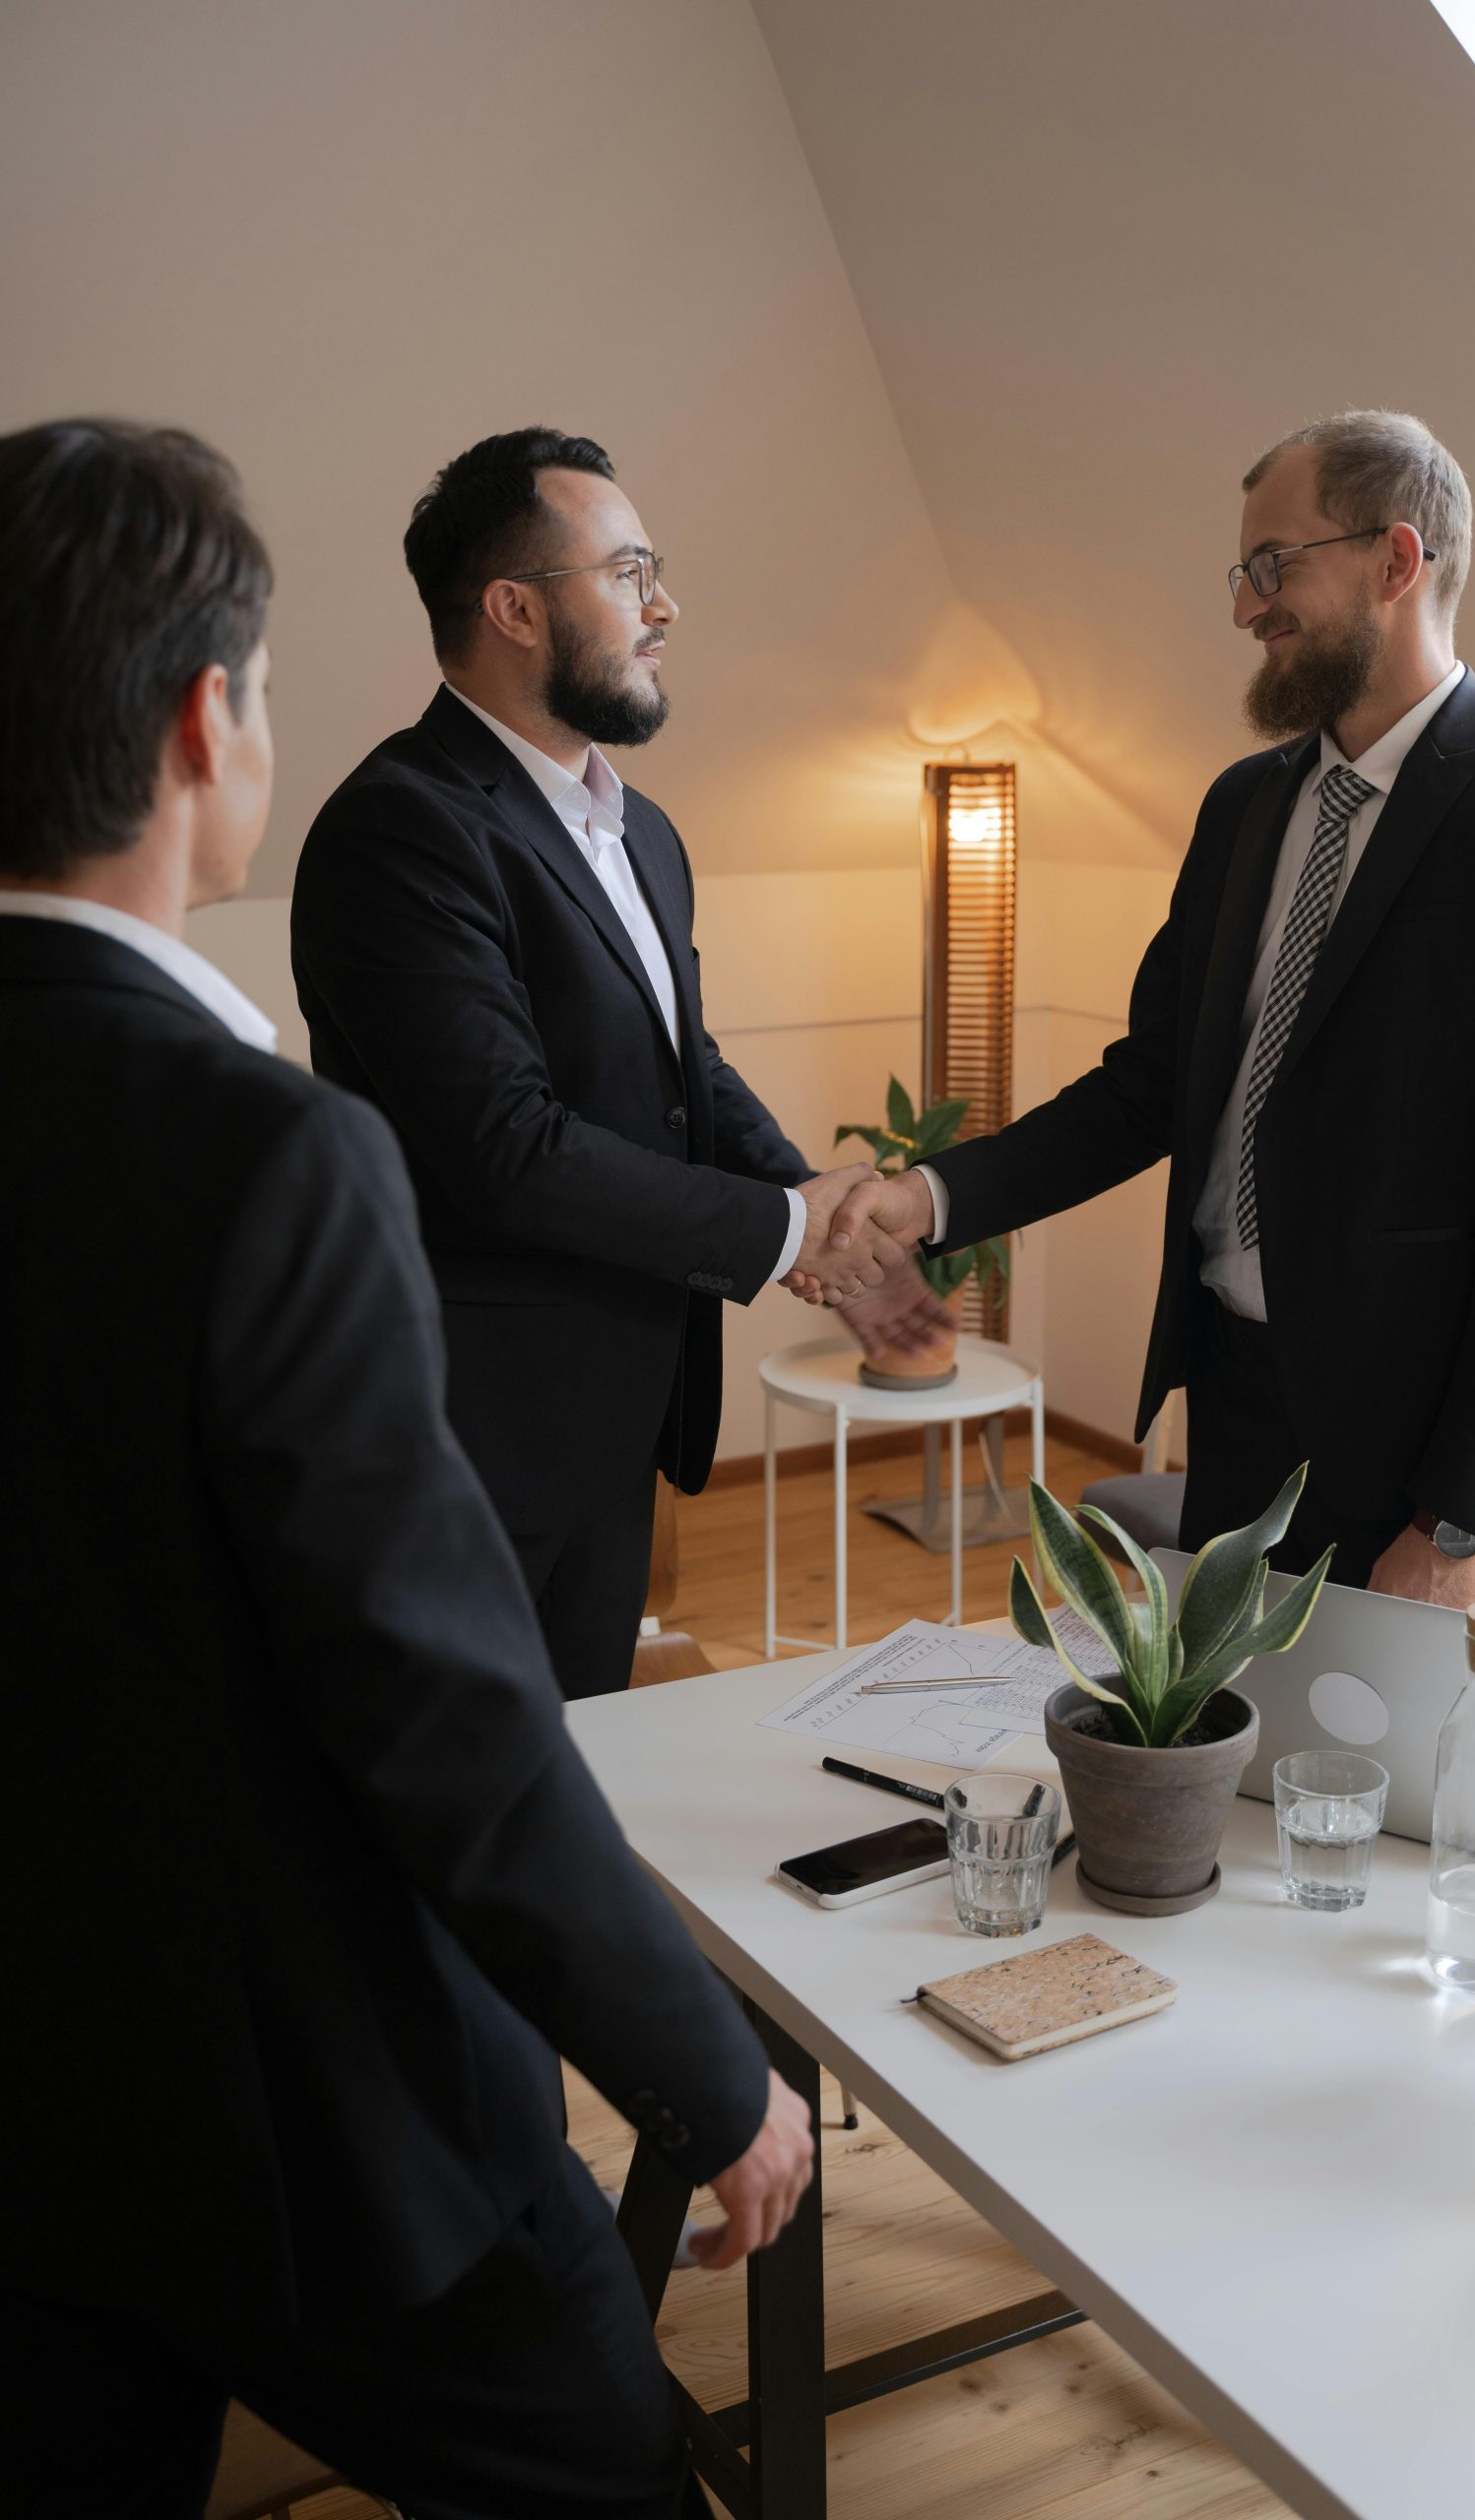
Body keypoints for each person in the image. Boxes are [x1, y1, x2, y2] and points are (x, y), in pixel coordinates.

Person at [0, 416, 812, 2520]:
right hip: (290, 2114)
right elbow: (442, 1724)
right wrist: (697, 2062)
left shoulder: (641, 836)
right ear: (209, 723)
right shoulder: (262, 1150)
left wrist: (815, 1213)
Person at [814, 410, 1475, 1606]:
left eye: (1274, 566)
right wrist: (924, 1196)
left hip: (1415, 1462)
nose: (1247, 608)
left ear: (1395, 562)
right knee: (1227, 1781)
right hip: (1236, 1406)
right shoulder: (1244, 806)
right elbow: (1150, 1086)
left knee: (1385, 1801)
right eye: (1244, 572)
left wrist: (1455, 1524)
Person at [291, 427, 940, 1699]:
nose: (665, 607)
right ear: (515, 608)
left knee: (588, 1757)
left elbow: (672, 1060)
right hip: (476, 1427)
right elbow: (506, 1148)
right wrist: (780, 1227)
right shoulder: (399, 828)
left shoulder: (639, 829)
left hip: (619, 1403)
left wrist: (819, 1205)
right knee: (474, 1801)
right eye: (629, 570)